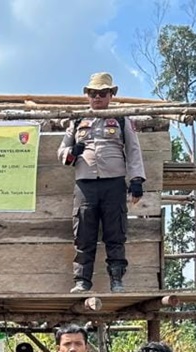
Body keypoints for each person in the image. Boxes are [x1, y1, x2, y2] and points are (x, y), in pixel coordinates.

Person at [57, 72, 146, 294]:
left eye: (102, 93)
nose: (98, 97)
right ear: (87, 95)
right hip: (85, 183)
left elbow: (133, 150)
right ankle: (82, 281)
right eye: (93, 93)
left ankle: (117, 280)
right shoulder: (77, 120)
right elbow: (61, 151)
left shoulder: (122, 118)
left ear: (110, 95)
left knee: (115, 232)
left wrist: (136, 179)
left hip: (114, 182)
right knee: (83, 233)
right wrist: (72, 152)